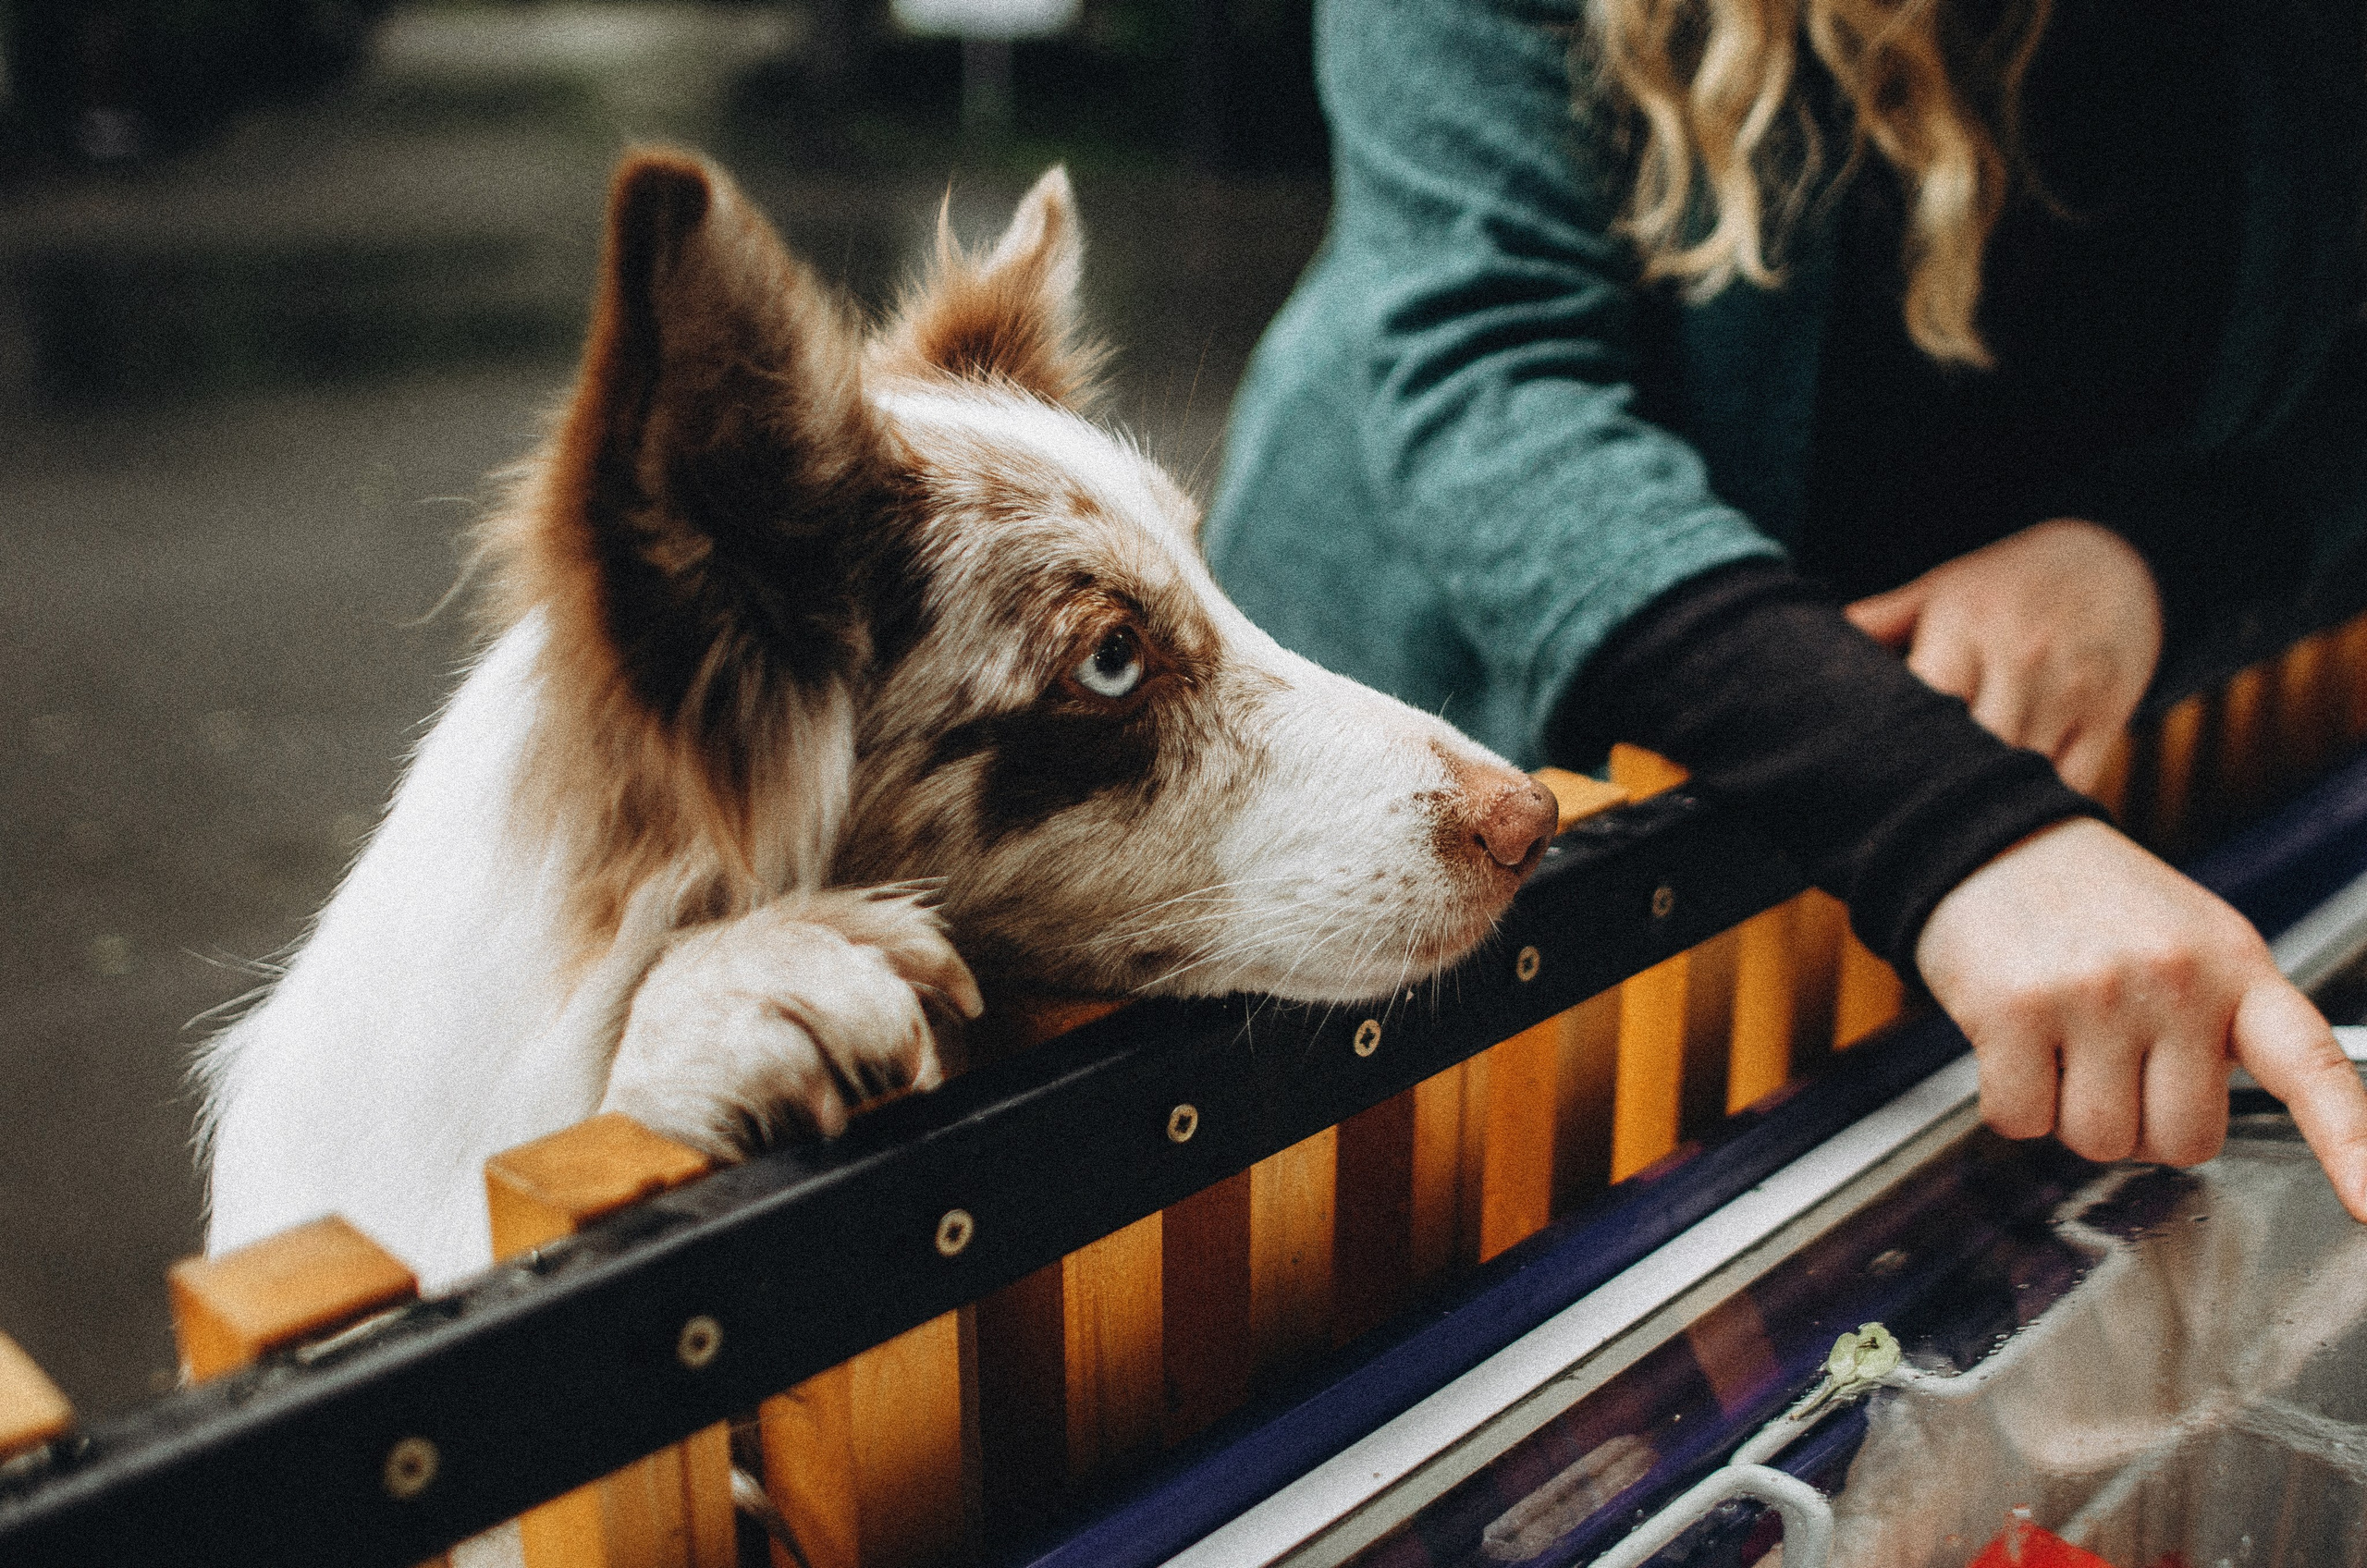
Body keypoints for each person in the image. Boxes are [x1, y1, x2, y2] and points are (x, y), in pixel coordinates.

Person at [1206, 0, 2367, 1217]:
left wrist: (2148, 557)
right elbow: (1492, 383)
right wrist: (1962, 830)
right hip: (1491, 725)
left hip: (1966, 823)